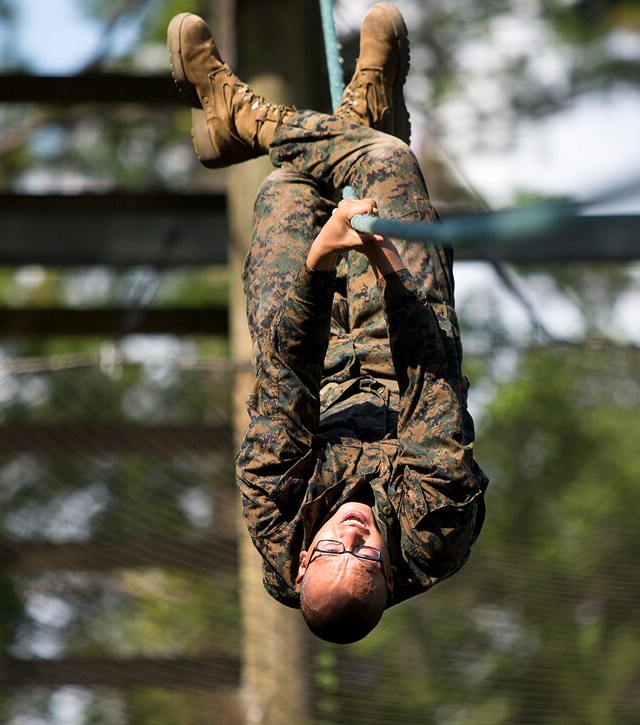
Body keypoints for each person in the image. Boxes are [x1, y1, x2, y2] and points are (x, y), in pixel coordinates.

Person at [168, 3, 487, 644]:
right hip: (402, 353)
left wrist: (319, 262)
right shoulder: (436, 527)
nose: (351, 537)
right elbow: (430, 372)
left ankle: (259, 123)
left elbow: (285, 372)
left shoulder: (275, 517)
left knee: (289, 190)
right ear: (390, 578)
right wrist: (382, 260)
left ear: (305, 558)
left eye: (332, 552)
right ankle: (355, 124)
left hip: (312, 357)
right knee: (388, 162)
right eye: (365, 558)